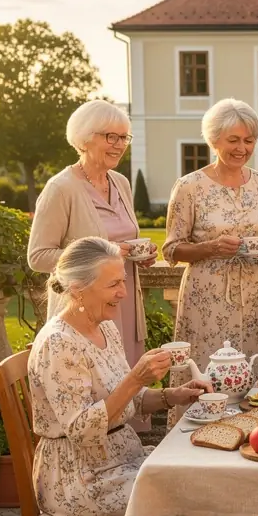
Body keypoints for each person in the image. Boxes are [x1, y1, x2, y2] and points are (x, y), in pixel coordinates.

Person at [28, 236, 258, 516]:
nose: (124, 292)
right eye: (113, 284)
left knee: (221, 485)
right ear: (77, 288)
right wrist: (135, 378)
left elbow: (134, 403)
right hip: (80, 478)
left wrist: (174, 394)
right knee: (187, 505)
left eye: (122, 281)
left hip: (123, 459)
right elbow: (83, 429)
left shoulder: (105, 328)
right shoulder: (57, 345)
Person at [162, 98, 258, 516]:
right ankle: (197, 489)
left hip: (255, 295)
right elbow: (171, 249)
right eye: (234, 140)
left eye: (249, 140)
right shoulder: (190, 186)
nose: (242, 148)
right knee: (207, 385)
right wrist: (212, 248)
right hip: (207, 299)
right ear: (213, 140)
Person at [28, 99, 155, 371]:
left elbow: (121, 244)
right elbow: (38, 257)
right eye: (111, 136)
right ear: (84, 138)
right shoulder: (61, 188)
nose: (120, 144)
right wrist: (102, 256)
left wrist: (136, 255)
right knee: (96, 390)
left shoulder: (120, 182)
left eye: (124, 137)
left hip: (125, 303)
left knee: (130, 384)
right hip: (83, 312)